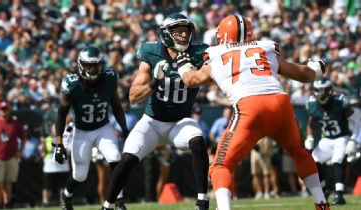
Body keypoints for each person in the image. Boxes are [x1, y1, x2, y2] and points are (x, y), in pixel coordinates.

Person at [177, 14, 330, 210]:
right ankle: (321, 203)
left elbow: (191, 80)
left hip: (250, 107)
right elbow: (304, 75)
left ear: (222, 36)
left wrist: (183, 66)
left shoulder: (216, 53)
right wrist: (319, 68)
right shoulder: (265, 48)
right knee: (299, 153)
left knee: (220, 165)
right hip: (280, 104)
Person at [103, 13, 210, 210]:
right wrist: (154, 82)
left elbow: (211, 79)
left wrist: (193, 72)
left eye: (186, 31)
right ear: (166, 34)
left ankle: (202, 201)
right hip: (152, 121)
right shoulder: (151, 52)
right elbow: (133, 96)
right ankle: (109, 205)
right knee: (127, 158)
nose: (184, 35)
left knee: (197, 140)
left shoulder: (199, 52)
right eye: (178, 31)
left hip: (180, 122)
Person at [54, 45, 129, 210]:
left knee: (115, 157)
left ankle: (119, 202)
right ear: (81, 65)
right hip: (81, 131)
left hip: (103, 127)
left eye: (95, 64)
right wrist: (59, 143)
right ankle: (66, 196)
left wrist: (124, 128)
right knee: (80, 175)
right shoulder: (72, 84)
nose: (92, 68)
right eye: (88, 64)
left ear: (101, 64)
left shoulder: (109, 77)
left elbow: (116, 105)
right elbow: (61, 114)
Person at [305, 77, 361, 205]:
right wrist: (309, 136)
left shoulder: (339, 102)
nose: (320, 94)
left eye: (323, 90)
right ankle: (324, 189)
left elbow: (357, 122)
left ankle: (339, 195)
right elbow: (311, 124)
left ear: (330, 91)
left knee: (337, 161)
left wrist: (354, 140)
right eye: (318, 90)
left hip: (342, 137)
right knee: (312, 161)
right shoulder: (312, 103)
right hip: (328, 139)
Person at [0, 101, 26, 209]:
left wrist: (20, 151)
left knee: (8, 182)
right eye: (2, 109)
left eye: (6, 109)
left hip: (11, 157)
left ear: (9, 110)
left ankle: (7, 203)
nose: (4, 111)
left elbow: (23, 137)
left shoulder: (14, 123)